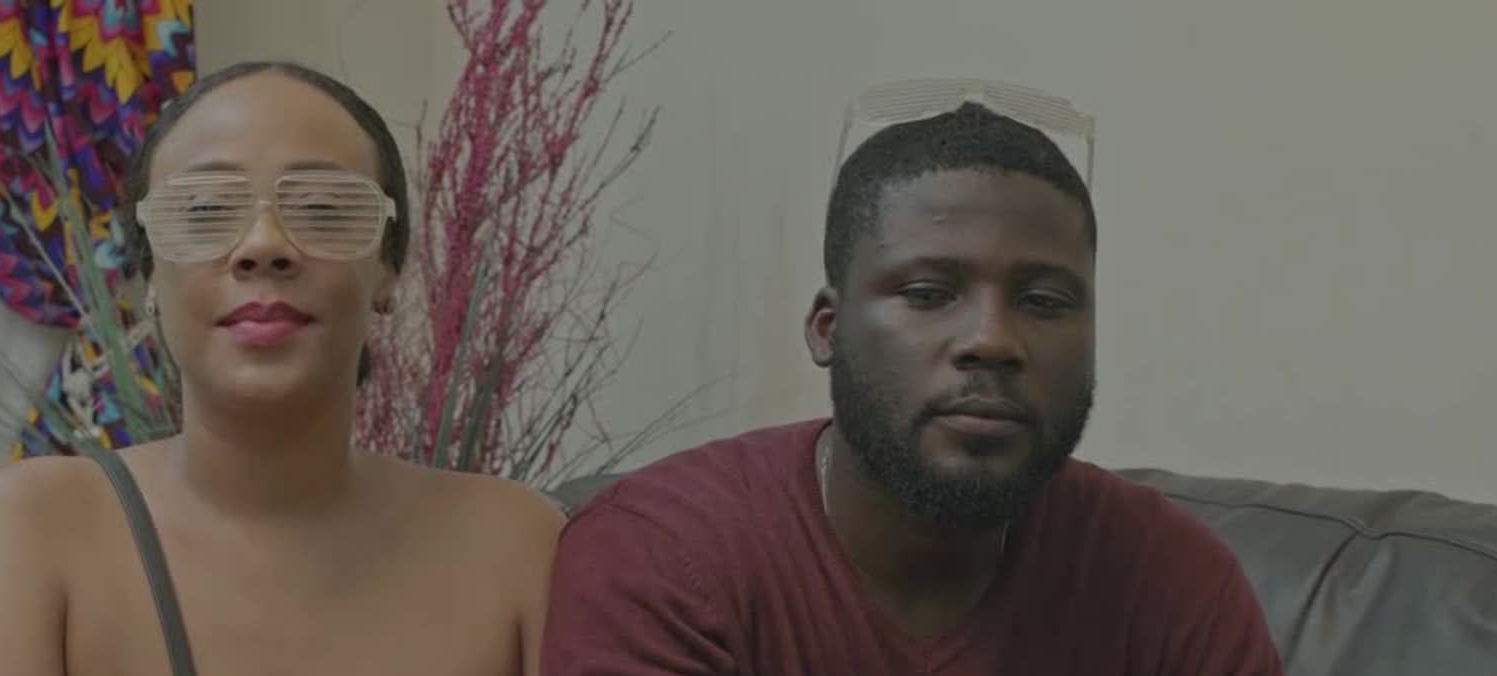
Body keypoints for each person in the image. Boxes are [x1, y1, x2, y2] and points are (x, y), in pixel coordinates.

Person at [540, 102, 1285, 674]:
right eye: (929, 293)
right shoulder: (662, 560)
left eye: (1044, 302)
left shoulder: (1171, 579)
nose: (992, 340)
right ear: (828, 328)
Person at [0, 62, 564, 676]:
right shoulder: (28, 531)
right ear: (150, 276)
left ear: (388, 269)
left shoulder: (518, 544)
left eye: (322, 209)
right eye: (205, 211)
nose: (264, 245)